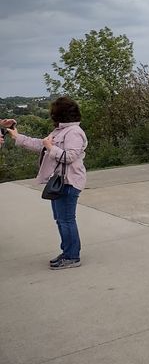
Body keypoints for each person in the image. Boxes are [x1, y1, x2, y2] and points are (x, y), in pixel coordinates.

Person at [1, 97, 88, 269]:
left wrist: (50, 147)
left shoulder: (74, 132)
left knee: (66, 220)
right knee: (61, 219)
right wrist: (17, 136)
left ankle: (72, 256)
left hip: (69, 182)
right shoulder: (60, 131)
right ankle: (67, 252)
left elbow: (69, 157)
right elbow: (39, 144)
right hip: (59, 182)